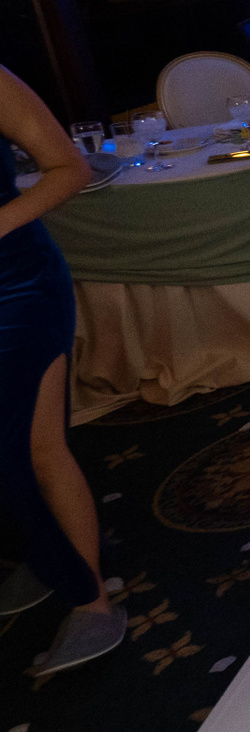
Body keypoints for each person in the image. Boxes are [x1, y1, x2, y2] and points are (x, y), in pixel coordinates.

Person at [0, 67, 125, 674]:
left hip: (15, 288)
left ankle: (90, 598)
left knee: (31, 452)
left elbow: (70, 168)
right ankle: (45, 556)